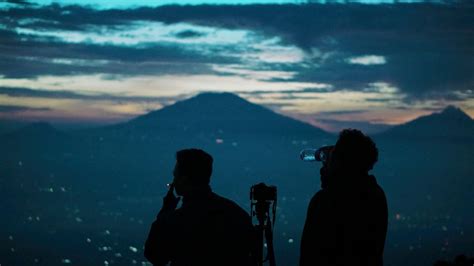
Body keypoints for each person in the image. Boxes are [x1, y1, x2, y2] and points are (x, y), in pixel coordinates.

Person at [145, 148, 256, 266]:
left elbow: (154, 255)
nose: (173, 182)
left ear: (184, 179)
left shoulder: (177, 220)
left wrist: (165, 213)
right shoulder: (237, 214)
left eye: (175, 176)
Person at [300, 129, 388, 266]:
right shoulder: (375, 194)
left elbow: (310, 254)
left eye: (334, 154)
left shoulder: (324, 201)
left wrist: (328, 176)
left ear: (340, 161)